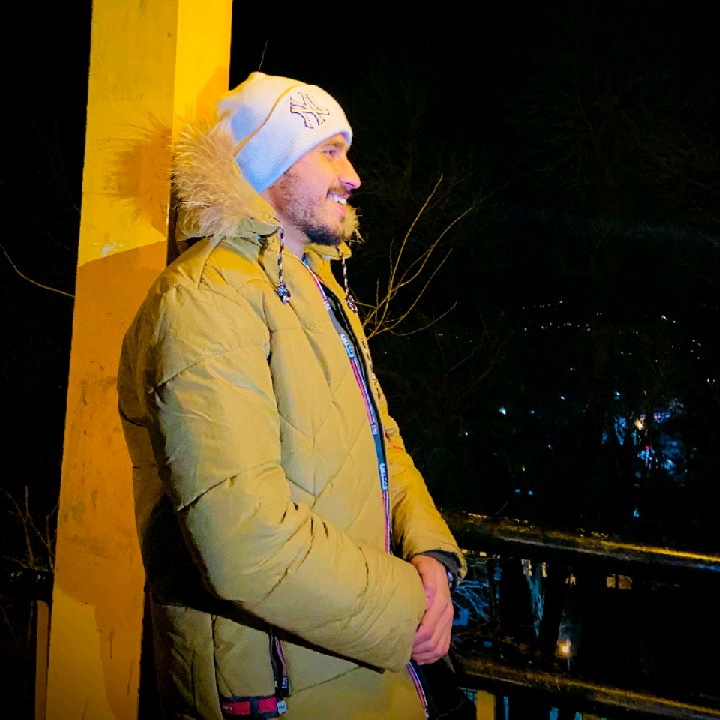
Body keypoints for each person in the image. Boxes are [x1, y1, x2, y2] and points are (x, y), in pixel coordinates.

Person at [117, 71, 469, 720]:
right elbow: (244, 542)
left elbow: (381, 441)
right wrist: (407, 608)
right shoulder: (205, 299)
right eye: (330, 151)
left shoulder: (316, 288)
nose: (352, 176)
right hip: (276, 689)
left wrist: (431, 554)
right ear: (269, 161)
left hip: (354, 660)